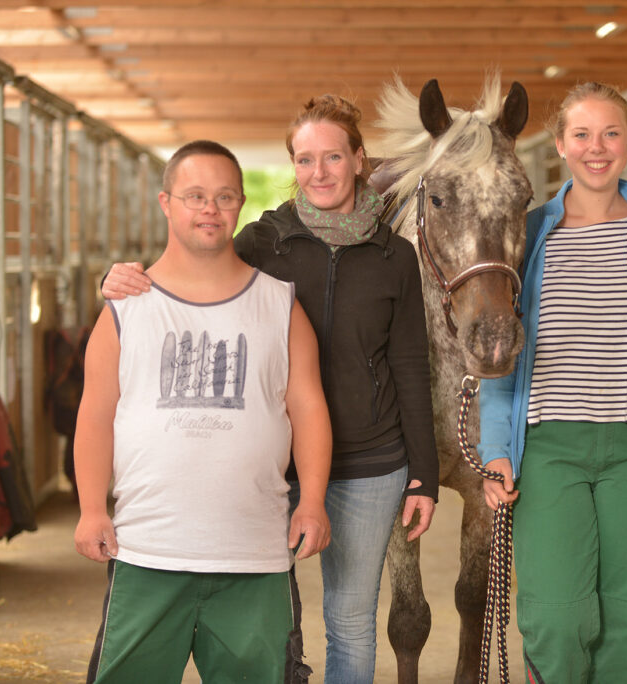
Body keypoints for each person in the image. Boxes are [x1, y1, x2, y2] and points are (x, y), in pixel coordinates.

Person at [101, 96, 438, 684]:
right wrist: (118, 278)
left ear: (360, 160)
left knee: (351, 616)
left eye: (334, 156)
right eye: (305, 160)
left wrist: (424, 473)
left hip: (370, 460)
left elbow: (410, 362)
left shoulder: (395, 256)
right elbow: (192, 271)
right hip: (275, 462)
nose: (320, 172)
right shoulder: (263, 241)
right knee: (276, 618)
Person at [74, 140, 332, 682]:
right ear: (166, 203)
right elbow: (95, 415)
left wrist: (311, 502)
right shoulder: (125, 307)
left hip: (254, 556)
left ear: (241, 206)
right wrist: (92, 508)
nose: (209, 209)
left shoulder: (280, 303)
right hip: (146, 552)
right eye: (194, 196)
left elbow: (308, 409)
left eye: (223, 197)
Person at [477, 82, 627, 683]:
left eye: (611, 133)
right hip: (548, 448)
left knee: (626, 617)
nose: (598, 148)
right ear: (561, 146)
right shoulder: (529, 232)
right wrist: (496, 450)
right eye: (582, 135)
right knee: (556, 617)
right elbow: (498, 347)